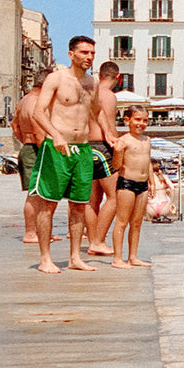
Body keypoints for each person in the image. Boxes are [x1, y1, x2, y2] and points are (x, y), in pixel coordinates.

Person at [27, 35, 99, 274]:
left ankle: (75, 257)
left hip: (83, 149)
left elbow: (96, 115)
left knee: (80, 205)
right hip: (57, 147)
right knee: (48, 204)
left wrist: (111, 136)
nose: (89, 57)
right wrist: (55, 134)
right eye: (84, 52)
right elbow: (39, 112)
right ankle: (45, 258)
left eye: (91, 53)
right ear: (71, 54)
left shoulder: (92, 83)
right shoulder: (56, 78)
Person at [108, 105, 152, 269]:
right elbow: (116, 166)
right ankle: (117, 258)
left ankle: (133, 256)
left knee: (137, 222)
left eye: (145, 120)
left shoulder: (147, 140)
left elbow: (147, 162)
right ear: (127, 121)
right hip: (127, 183)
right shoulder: (124, 140)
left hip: (143, 184)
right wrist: (118, 152)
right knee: (122, 221)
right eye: (137, 119)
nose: (141, 123)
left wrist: (152, 181)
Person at [85, 61, 121, 256]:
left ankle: (93, 241)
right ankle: (98, 241)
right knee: (115, 197)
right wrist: (118, 148)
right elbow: (107, 123)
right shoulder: (108, 95)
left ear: (99, 75)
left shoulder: (89, 92)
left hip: (87, 147)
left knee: (92, 200)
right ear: (118, 77)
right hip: (102, 146)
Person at [13, 72, 53, 243]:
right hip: (36, 149)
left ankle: (40, 232)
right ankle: (30, 233)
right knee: (34, 194)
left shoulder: (24, 100)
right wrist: (47, 152)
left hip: (28, 148)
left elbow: (15, 125)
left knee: (39, 193)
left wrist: (25, 141)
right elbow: (39, 132)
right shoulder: (37, 102)